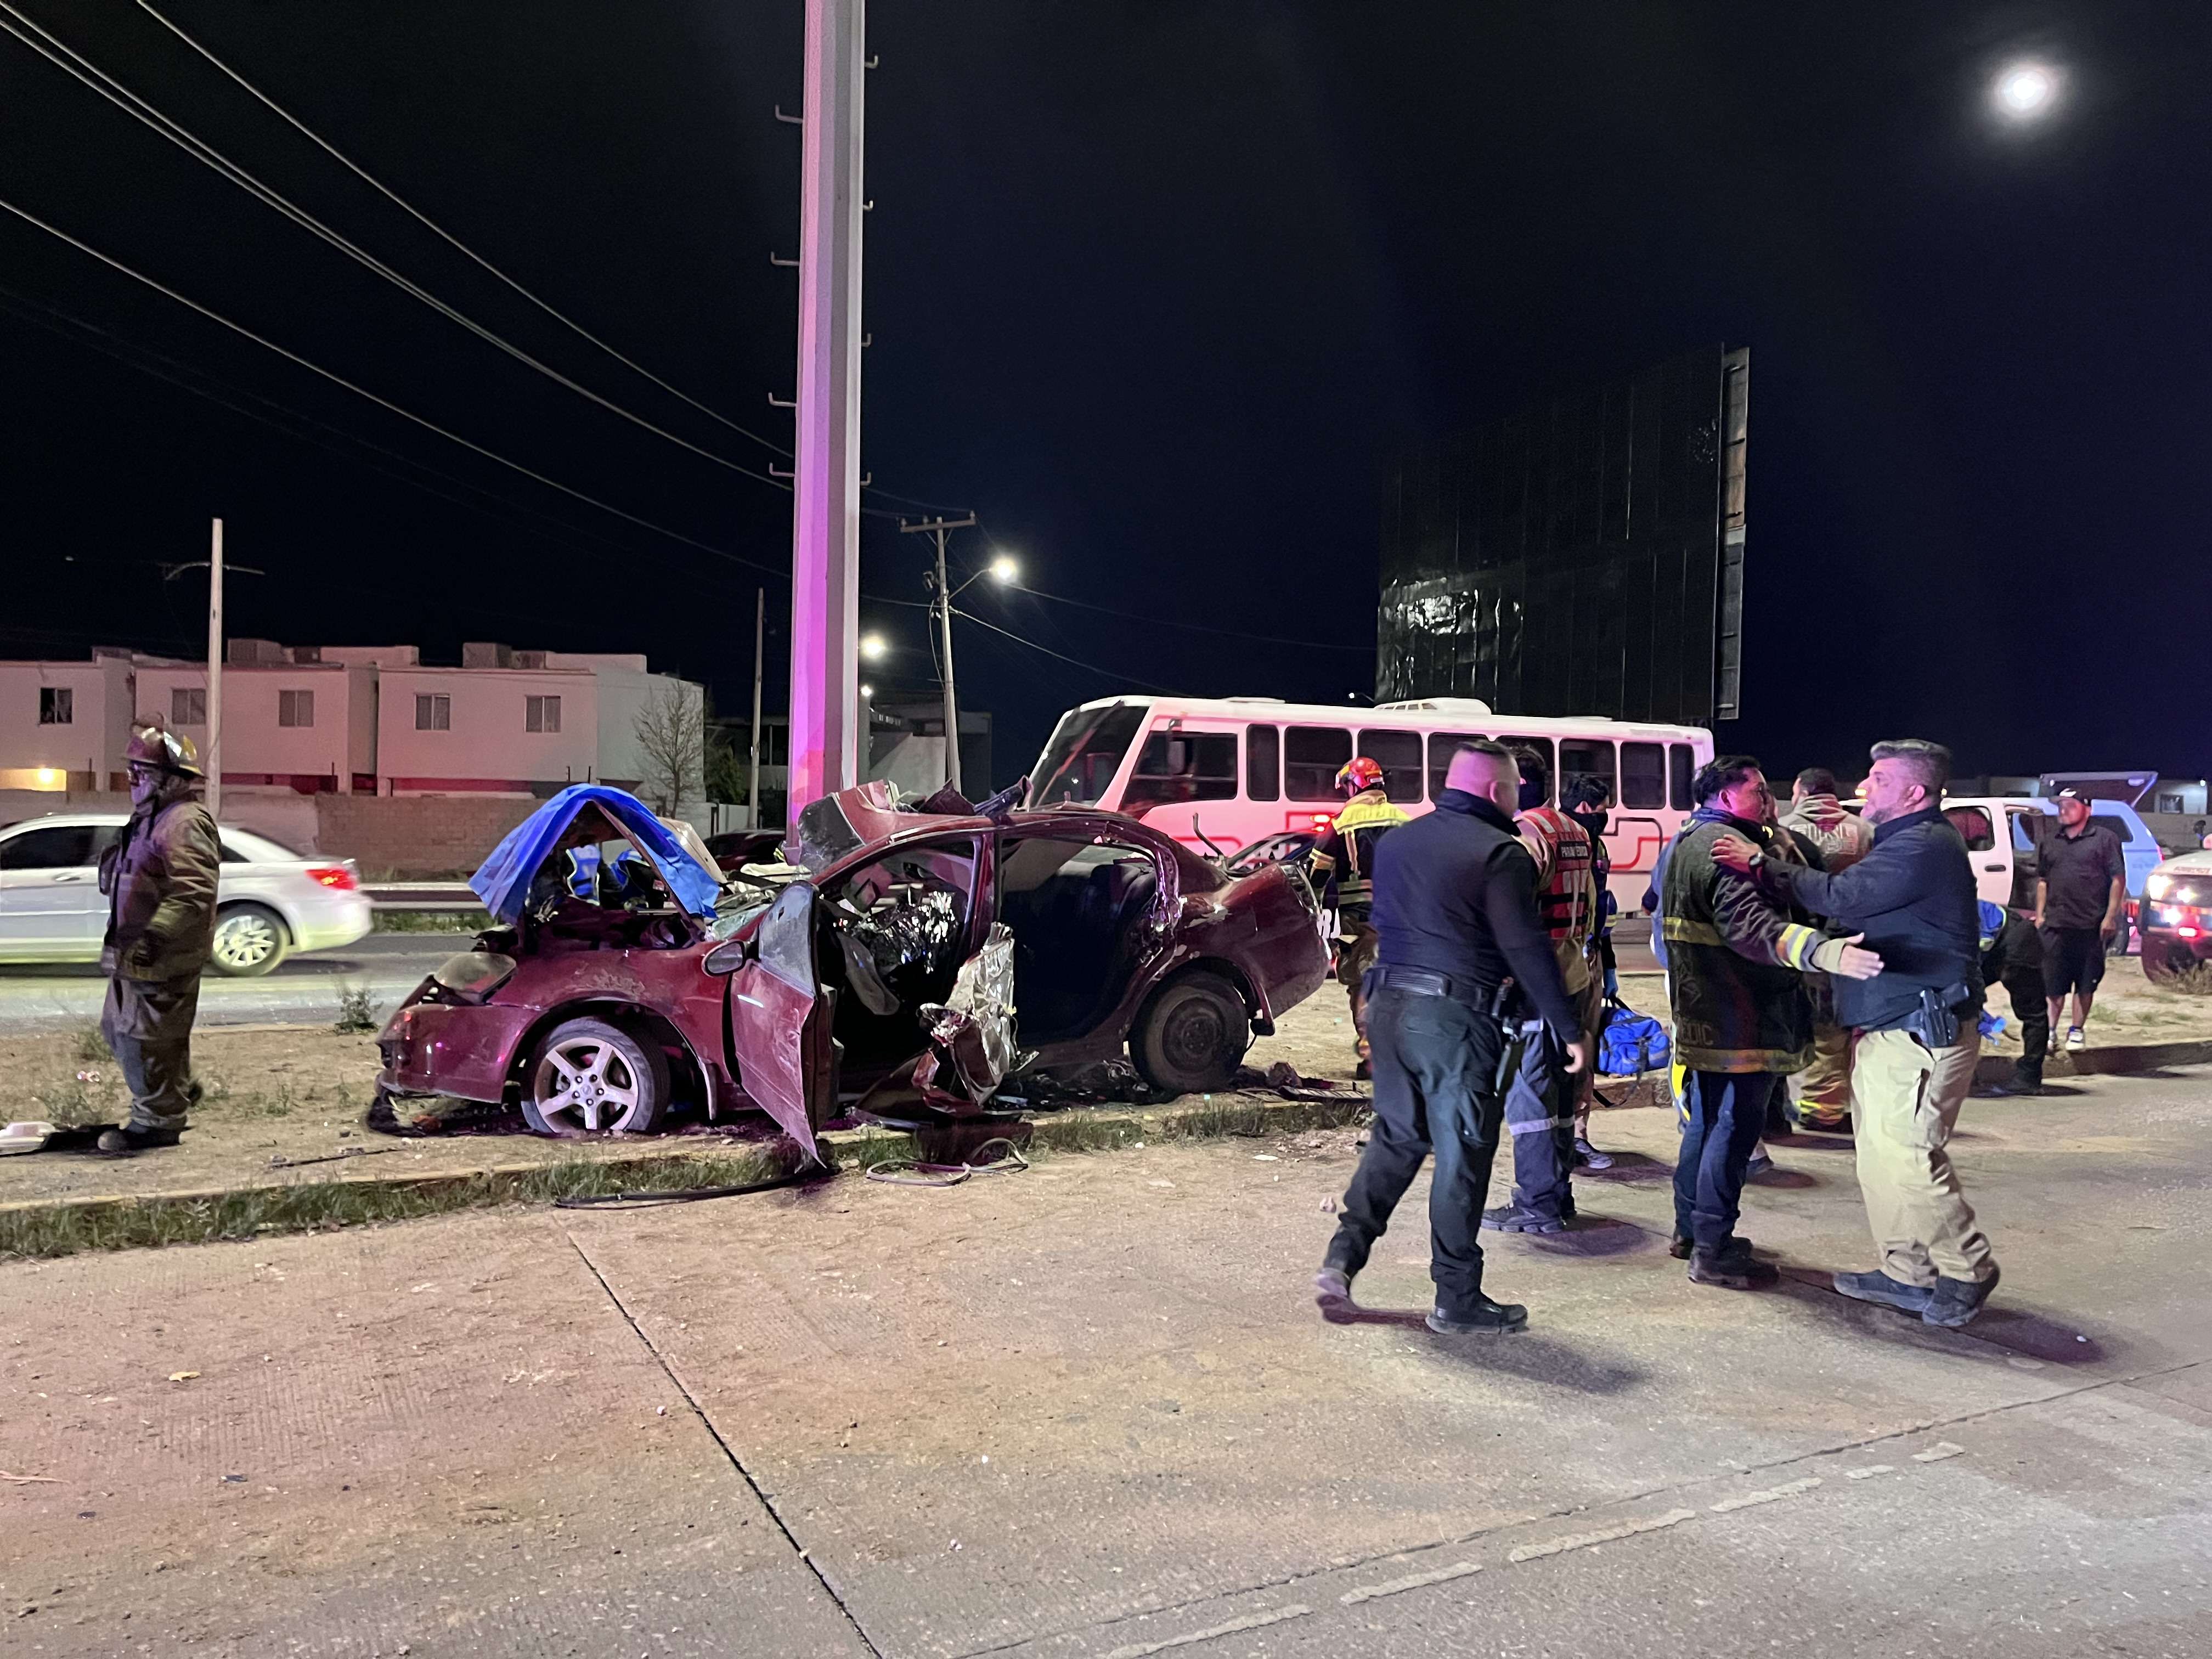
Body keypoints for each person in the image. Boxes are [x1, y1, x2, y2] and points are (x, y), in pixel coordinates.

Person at [1713, 739, 1998, 1329]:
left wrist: (1759, 863)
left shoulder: (1924, 844)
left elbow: (1842, 896)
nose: (1865, 786)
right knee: (1879, 1159)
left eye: (1880, 778)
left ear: (1914, 792)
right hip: (1890, 1027)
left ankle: (1967, 1269)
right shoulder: (1902, 841)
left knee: (1909, 1158)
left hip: (1920, 1031)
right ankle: (1905, 1271)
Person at [1315, 740, 1590, 1334]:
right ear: (1496, 790)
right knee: (1462, 1156)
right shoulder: (1501, 853)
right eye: (1513, 788)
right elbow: (1524, 946)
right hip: (1455, 1023)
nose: (1518, 799)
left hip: (1388, 1008)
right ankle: (1457, 1298)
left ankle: (1342, 1258)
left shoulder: (1400, 842)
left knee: (1397, 1140)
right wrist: (1567, 1027)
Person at [1664, 755, 1881, 1290]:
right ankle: (1714, 1250)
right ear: (1724, 797)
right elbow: (1752, 929)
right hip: (1742, 1017)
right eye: (1757, 791)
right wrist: (1824, 951)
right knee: (1734, 1129)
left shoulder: (1689, 840)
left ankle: (1692, 1230)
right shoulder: (1726, 849)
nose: (1769, 801)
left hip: (1705, 1012)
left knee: (1706, 1123)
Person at [1481, 747, 1604, 1234]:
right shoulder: (1574, 829)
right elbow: (1591, 903)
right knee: (1559, 1094)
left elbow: (1514, 913)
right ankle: (1558, 1192)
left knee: (1528, 1095)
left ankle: (1537, 1205)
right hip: (1574, 971)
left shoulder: (1525, 834)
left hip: (1536, 981)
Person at [95, 723, 222, 1156]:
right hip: (134, 951)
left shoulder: (184, 822)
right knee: (117, 1029)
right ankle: (174, 1089)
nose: (132, 778)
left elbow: (193, 892)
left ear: (172, 779)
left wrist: (154, 938)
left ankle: (156, 1124)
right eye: (131, 769)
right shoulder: (152, 817)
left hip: (161, 956)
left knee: (144, 1039)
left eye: (143, 771)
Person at [1308, 755, 1411, 1079]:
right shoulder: (1404, 820)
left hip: (1359, 919)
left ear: (1354, 785)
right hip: (1401, 921)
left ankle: (1374, 1059)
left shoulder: (1342, 822)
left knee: (1364, 985)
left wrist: (1314, 907)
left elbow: (1318, 872)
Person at [2032, 789, 2125, 1053]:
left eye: (2070, 805)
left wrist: (2110, 917)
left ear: (2088, 809)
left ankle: (2076, 1030)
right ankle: (2049, 1032)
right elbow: (2043, 881)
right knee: (2053, 984)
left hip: (2090, 926)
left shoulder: (2105, 839)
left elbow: (2118, 879)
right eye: (2060, 805)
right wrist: (2040, 916)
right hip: (2055, 925)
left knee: (2085, 984)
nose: (2063, 810)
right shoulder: (2050, 841)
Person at [1973, 899, 2049, 1097]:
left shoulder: (1942, 916)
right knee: (1963, 1003)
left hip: (2017, 940)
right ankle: (1965, 1073)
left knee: (2032, 1011)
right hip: (1993, 942)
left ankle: (2029, 1077)